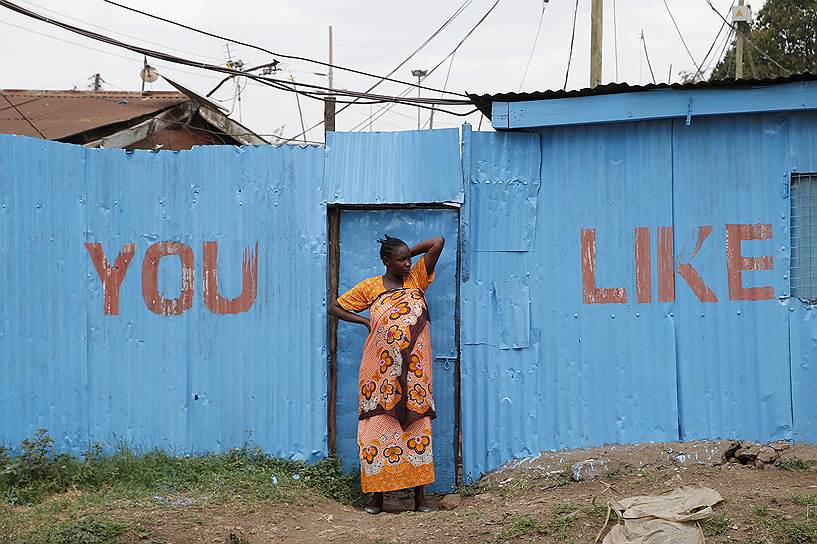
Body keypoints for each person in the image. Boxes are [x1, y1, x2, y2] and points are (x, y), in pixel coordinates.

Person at [328, 234, 445, 514]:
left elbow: (437, 242)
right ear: (385, 261)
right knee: (377, 428)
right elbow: (335, 307)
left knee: (416, 428)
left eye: (408, 258)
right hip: (379, 374)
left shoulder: (416, 279)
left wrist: (406, 252)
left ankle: (420, 501)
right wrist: (366, 321)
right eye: (401, 259)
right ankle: (376, 500)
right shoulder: (371, 288)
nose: (407, 263)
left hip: (416, 375)